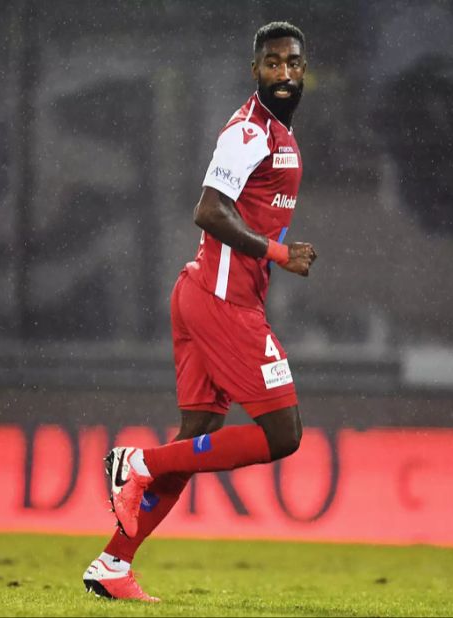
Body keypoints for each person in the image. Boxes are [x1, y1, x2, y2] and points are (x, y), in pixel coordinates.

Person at [83, 21, 317, 602]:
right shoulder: (247, 133)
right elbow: (208, 212)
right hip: (221, 303)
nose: (283, 73)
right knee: (283, 434)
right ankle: (138, 462)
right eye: (272, 63)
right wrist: (278, 252)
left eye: (292, 63)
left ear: (303, 69)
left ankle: (113, 564)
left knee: (198, 440)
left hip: (204, 297)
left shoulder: (279, 134)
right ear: (255, 69)